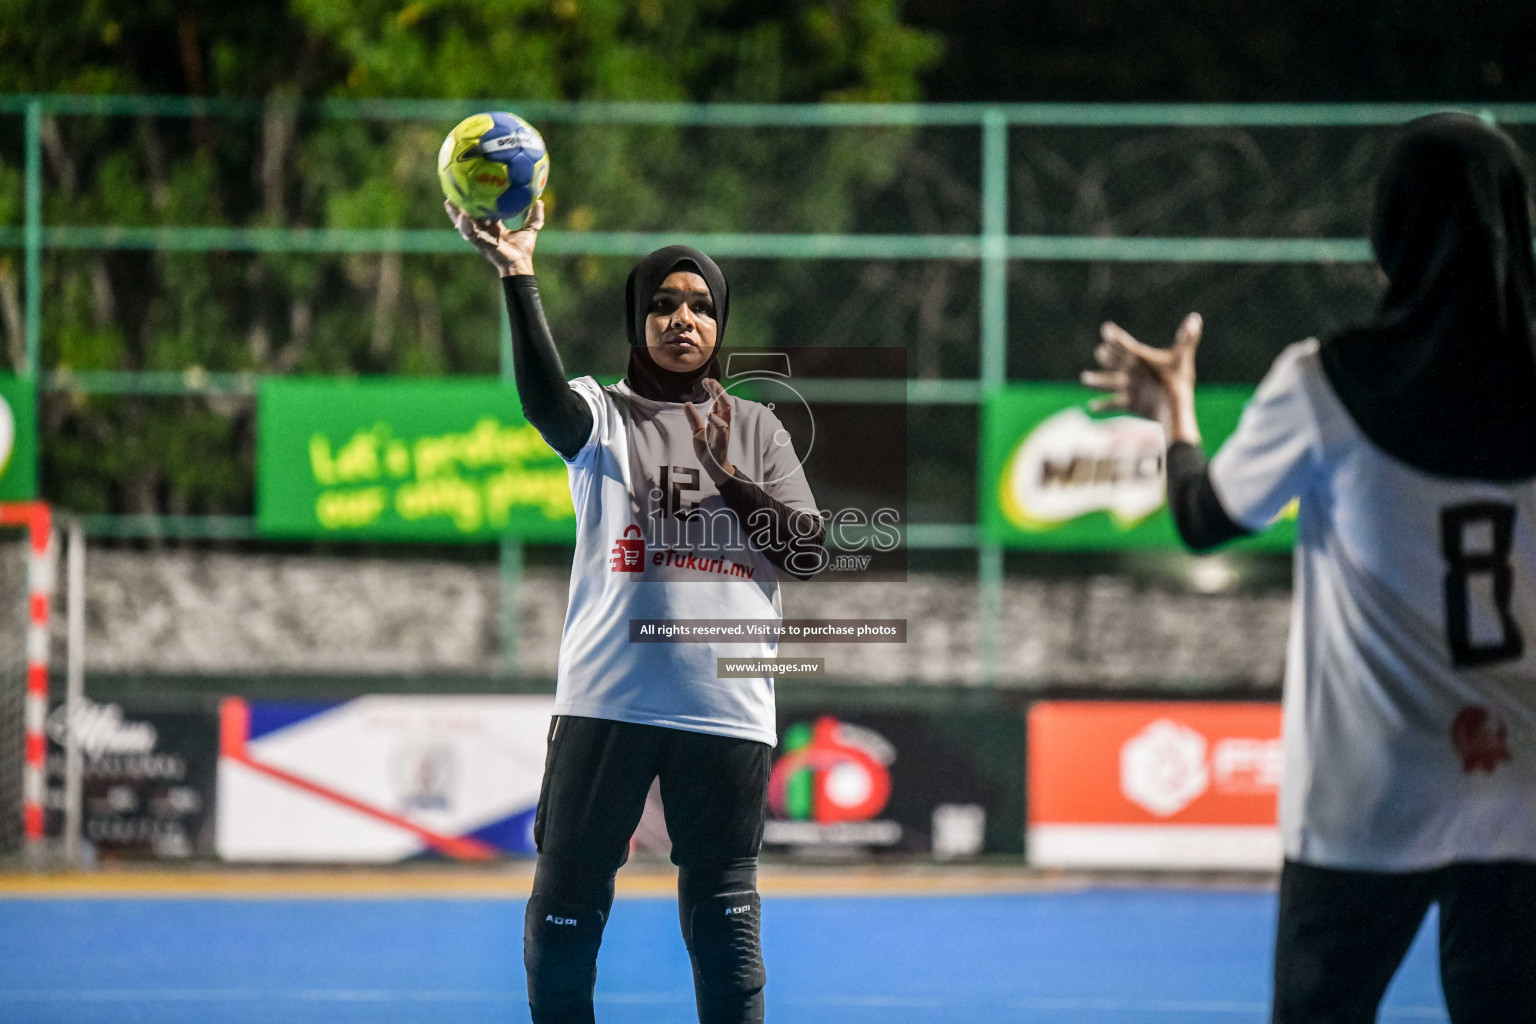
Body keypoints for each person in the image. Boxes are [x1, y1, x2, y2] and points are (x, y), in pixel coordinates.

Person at [1082, 113, 1536, 1024]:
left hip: (1365, 795)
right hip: (1524, 790)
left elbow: (1206, 520)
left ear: (1388, 233)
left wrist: (1175, 409)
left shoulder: (1326, 382)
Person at [447, 198, 823, 1024]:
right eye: (661, 304)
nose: (680, 318)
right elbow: (545, 405)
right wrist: (518, 273)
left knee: (727, 935)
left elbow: (806, 551)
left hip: (725, 710)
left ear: (721, 326)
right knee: (566, 917)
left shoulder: (758, 429)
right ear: (636, 319)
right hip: (605, 703)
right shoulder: (603, 414)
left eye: (698, 305)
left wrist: (726, 471)